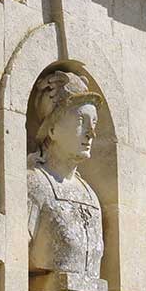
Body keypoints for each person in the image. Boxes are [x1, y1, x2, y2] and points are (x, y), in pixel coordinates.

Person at [27, 69, 104, 278]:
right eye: (81, 121)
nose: (91, 133)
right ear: (52, 130)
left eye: (94, 122)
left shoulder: (90, 196)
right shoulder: (34, 185)